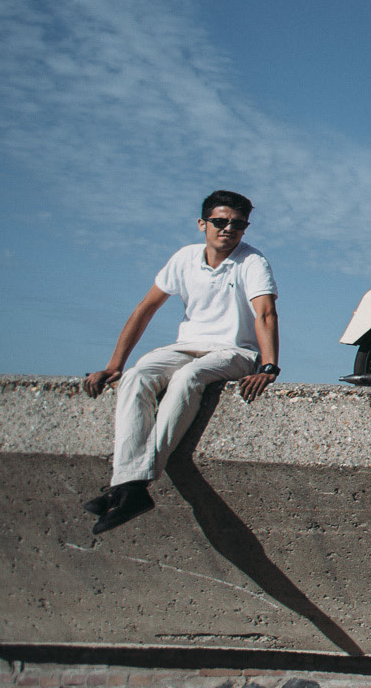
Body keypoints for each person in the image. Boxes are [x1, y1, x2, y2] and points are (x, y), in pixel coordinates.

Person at [81, 190, 281, 532]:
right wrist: (115, 364)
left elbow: (265, 313)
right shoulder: (185, 258)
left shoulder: (253, 262)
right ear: (202, 224)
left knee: (189, 377)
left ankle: (132, 486)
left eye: (237, 224)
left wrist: (268, 366)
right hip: (188, 344)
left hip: (236, 352)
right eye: (220, 222)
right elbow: (146, 309)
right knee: (136, 375)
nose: (228, 229)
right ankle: (127, 486)